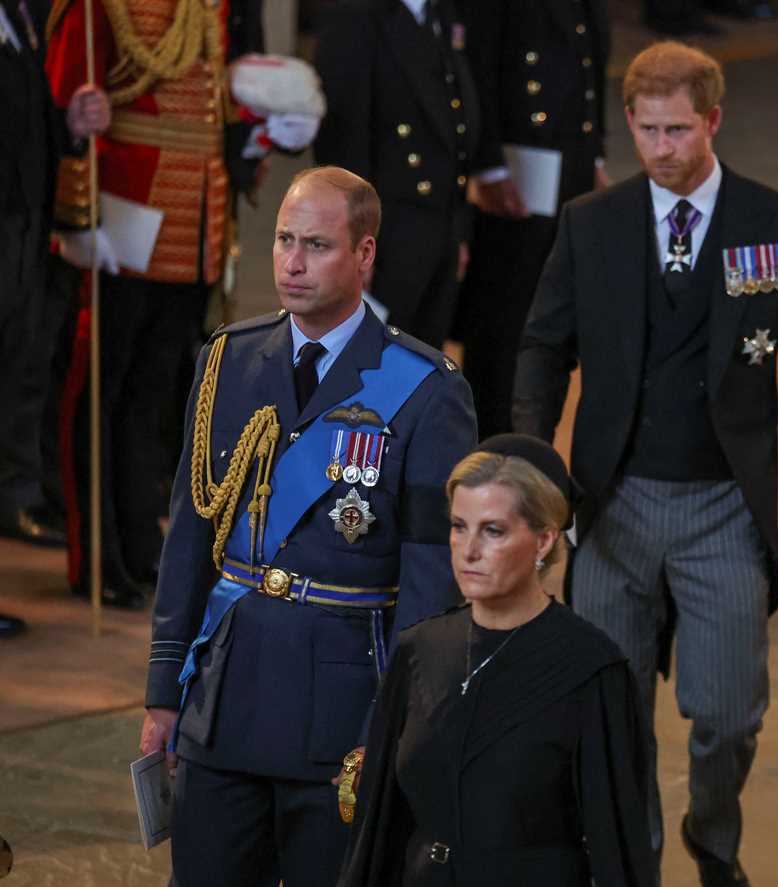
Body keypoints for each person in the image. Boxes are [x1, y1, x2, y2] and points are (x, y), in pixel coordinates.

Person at [513, 41, 778, 886]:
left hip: (724, 506)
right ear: (629, 122)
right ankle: (634, 858)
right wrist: (532, 469)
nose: (662, 148)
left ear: (713, 121)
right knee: (610, 708)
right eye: (648, 129)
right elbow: (544, 346)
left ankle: (714, 834)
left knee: (729, 712)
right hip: (612, 501)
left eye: (678, 129)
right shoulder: (592, 224)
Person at [137, 167, 476, 887]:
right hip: (222, 698)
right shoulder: (227, 359)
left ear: (364, 255)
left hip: (344, 709)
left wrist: (403, 725)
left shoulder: (425, 388)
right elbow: (192, 540)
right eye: (285, 240)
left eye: (316, 245)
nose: (291, 262)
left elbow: (430, 580)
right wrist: (165, 692)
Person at [338, 434, 655, 886]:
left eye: (493, 530)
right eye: (458, 526)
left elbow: (617, 847)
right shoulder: (419, 650)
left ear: (544, 540)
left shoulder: (592, 670)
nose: (468, 552)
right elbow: (378, 832)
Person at [45, 0, 277, 608]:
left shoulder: (209, 6)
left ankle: (143, 543)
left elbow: (217, 105)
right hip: (123, 204)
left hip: (192, 214)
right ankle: (96, 553)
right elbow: (63, 100)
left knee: (156, 394)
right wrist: (75, 198)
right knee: (102, 386)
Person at [456, 0, 611, 439]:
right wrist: (487, 166)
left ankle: (532, 437)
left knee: (554, 313)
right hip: (517, 163)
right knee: (505, 320)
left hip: (570, 158)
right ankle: (493, 440)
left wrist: (594, 151)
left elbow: (590, 63)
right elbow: (478, 64)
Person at [314, 0, 490, 348]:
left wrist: (458, 231)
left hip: (439, 227)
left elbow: (453, 130)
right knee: (369, 372)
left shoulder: (439, 12)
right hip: (386, 231)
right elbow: (344, 145)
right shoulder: (355, 15)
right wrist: (352, 250)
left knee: (423, 367)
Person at [0, 0, 108, 549]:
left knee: (22, 369)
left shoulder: (24, 19)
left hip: (25, 221)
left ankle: (14, 500)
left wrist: (71, 124)